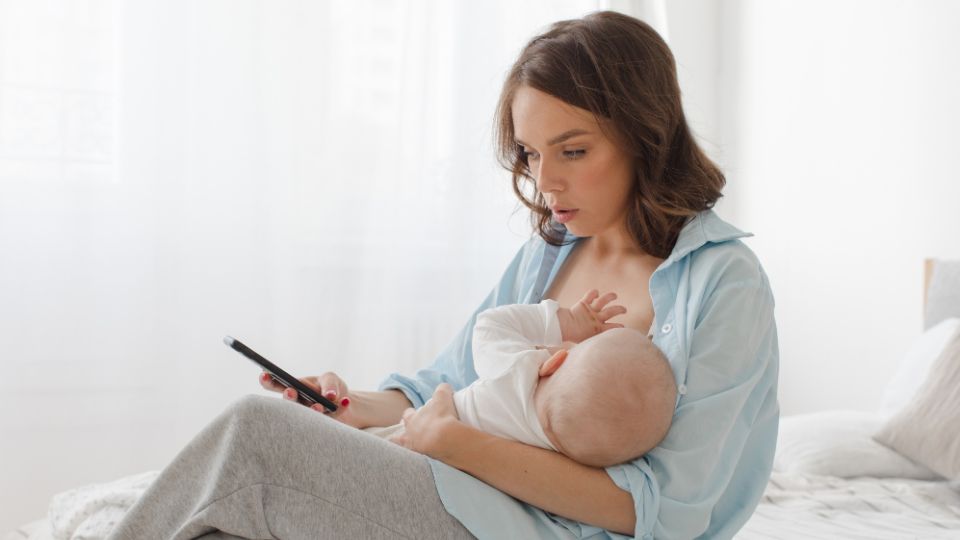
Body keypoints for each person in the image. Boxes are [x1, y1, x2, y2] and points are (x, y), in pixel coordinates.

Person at [105, 10, 778, 540]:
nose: (545, 181)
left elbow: (667, 515)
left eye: (573, 150)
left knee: (255, 437)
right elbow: (444, 384)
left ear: (645, 134)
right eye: (531, 154)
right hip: (471, 489)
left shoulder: (723, 284)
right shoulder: (553, 252)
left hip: (535, 525)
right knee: (236, 522)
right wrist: (350, 407)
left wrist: (456, 445)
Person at [375, 290, 677, 469]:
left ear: (555, 362)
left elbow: (490, 325)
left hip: (403, 440)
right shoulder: (554, 456)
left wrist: (563, 324)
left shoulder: (519, 370)